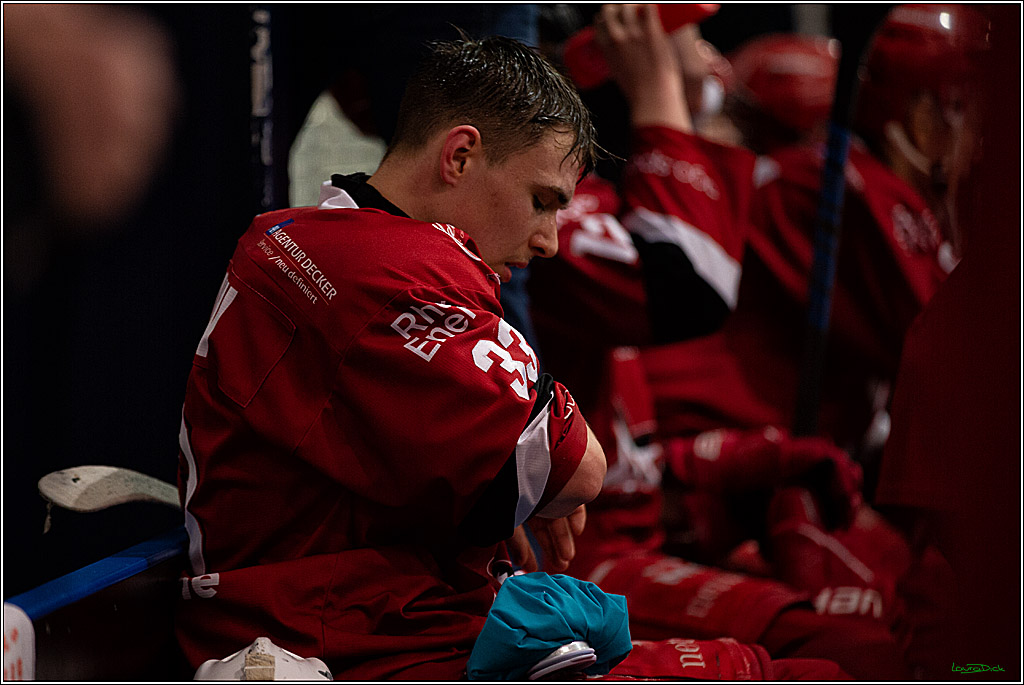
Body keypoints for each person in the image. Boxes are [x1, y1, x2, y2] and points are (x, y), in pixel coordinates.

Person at [174, 34, 845, 681]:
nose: (551, 241)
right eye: (542, 202)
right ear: (460, 156)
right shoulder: (394, 267)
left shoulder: (303, 236)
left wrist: (500, 499)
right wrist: (539, 471)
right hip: (352, 639)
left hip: (360, 615)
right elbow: (580, 467)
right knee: (815, 662)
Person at [527, 5, 908, 680]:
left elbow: (637, 465)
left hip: (633, 531)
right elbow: (691, 285)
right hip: (576, 561)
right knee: (857, 651)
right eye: (691, 38)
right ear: (618, 52)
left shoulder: (606, 208)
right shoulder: (560, 220)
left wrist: (757, 459)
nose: (716, 62)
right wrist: (658, 93)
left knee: (890, 595)